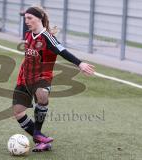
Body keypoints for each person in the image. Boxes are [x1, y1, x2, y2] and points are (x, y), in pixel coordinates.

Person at [12, 6, 95, 152]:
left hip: (42, 76)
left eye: (30, 18)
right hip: (24, 76)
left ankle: (38, 132)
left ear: (39, 18)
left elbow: (62, 51)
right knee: (18, 113)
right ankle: (40, 139)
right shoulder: (28, 34)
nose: (26, 21)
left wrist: (80, 63)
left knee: (42, 95)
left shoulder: (48, 37)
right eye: (25, 18)